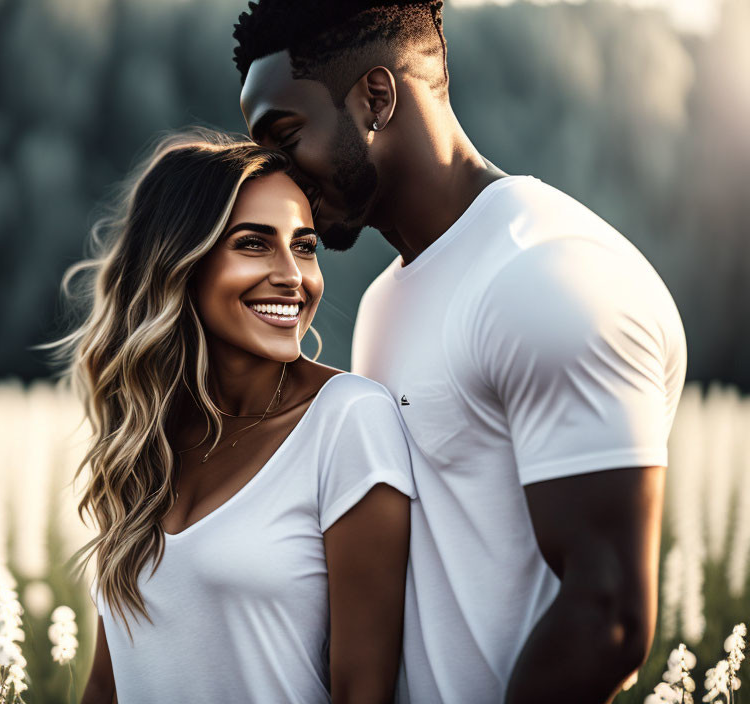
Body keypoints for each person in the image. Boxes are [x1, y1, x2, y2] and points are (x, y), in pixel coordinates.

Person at [233, 2, 688, 703]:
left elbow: (610, 618)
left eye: (286, 137)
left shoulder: (548, 277)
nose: (275, 176)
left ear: (375, 99)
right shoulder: (389, 300)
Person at [50, 129, 416, 703]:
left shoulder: (348, 423)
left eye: (304, 244)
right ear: (181, 263)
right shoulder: (145, 442)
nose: (293, 276)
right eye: (254, 243)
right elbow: (106, 686)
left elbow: (363, 692)